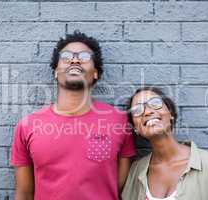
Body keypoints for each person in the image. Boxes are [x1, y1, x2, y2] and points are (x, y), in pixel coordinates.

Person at [10, 31, 136, 200]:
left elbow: (119, 184)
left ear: (96, 73)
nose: (75, 60)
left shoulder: (119, 121)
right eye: (66, 56)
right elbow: (24, 194)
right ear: (55, 71)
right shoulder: (27, 126)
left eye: (84, 57)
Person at [122, 87, 208, 200]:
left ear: (170, 113)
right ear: (135, 128)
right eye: (137, 110)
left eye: (155, 103)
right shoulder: (135, 171)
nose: (148, 111)